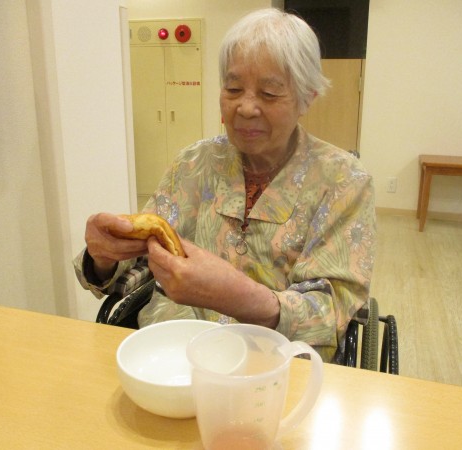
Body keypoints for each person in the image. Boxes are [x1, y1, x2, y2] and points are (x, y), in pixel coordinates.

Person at [74, 8, 376, 362]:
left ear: (307, 97)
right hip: (172, 358)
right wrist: (103, 257)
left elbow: (332, 311)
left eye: (269, 93)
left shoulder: (344, 182)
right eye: (233, 89)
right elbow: (139, 260)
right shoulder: (193, 163)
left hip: (272, 368)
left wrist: (241, 297)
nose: (245, 108)